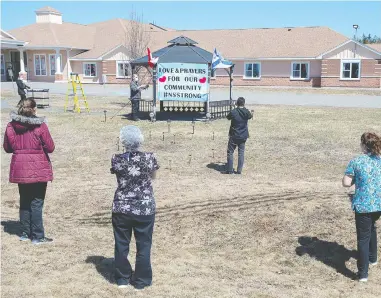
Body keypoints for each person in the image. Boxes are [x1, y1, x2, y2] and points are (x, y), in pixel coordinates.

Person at [110, 125, 159, 289]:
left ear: (123, 141)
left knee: (121, 243)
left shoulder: (117, 159)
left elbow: (118, 175)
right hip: (145, 207)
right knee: (144, 244)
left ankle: (122, 278)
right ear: (140, 139)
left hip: (122, 207)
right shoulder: (150, 158)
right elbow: (153, 176)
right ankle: (141, 280)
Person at [3, 98, 55, 244]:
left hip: (21, 169)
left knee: (25, 201)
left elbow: (7, 148)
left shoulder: (11, 126)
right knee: (37, 202)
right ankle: (38, 236)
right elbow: (50, 147)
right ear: (33, 109)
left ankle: (25, 233)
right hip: (39, 168)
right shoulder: (40, 126)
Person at [342, 132, 381, 282]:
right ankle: (373, 259)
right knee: (372, 228)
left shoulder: (356, 162)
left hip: (363, 205)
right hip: (379, 204)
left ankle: (363, 274)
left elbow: (346, 183)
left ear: (363, 145)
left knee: (363, 238)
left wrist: (351, 181)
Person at [225, 97, 253, 174]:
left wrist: (234, 107)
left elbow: (228, 117)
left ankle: (230, 170)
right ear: (244, 103)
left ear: (237, 103)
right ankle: (239, 171)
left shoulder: (234, 111)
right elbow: (250, 116)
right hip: (243, 135)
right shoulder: (246, 111)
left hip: (234, 135)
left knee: (230, 152)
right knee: (241, 153)